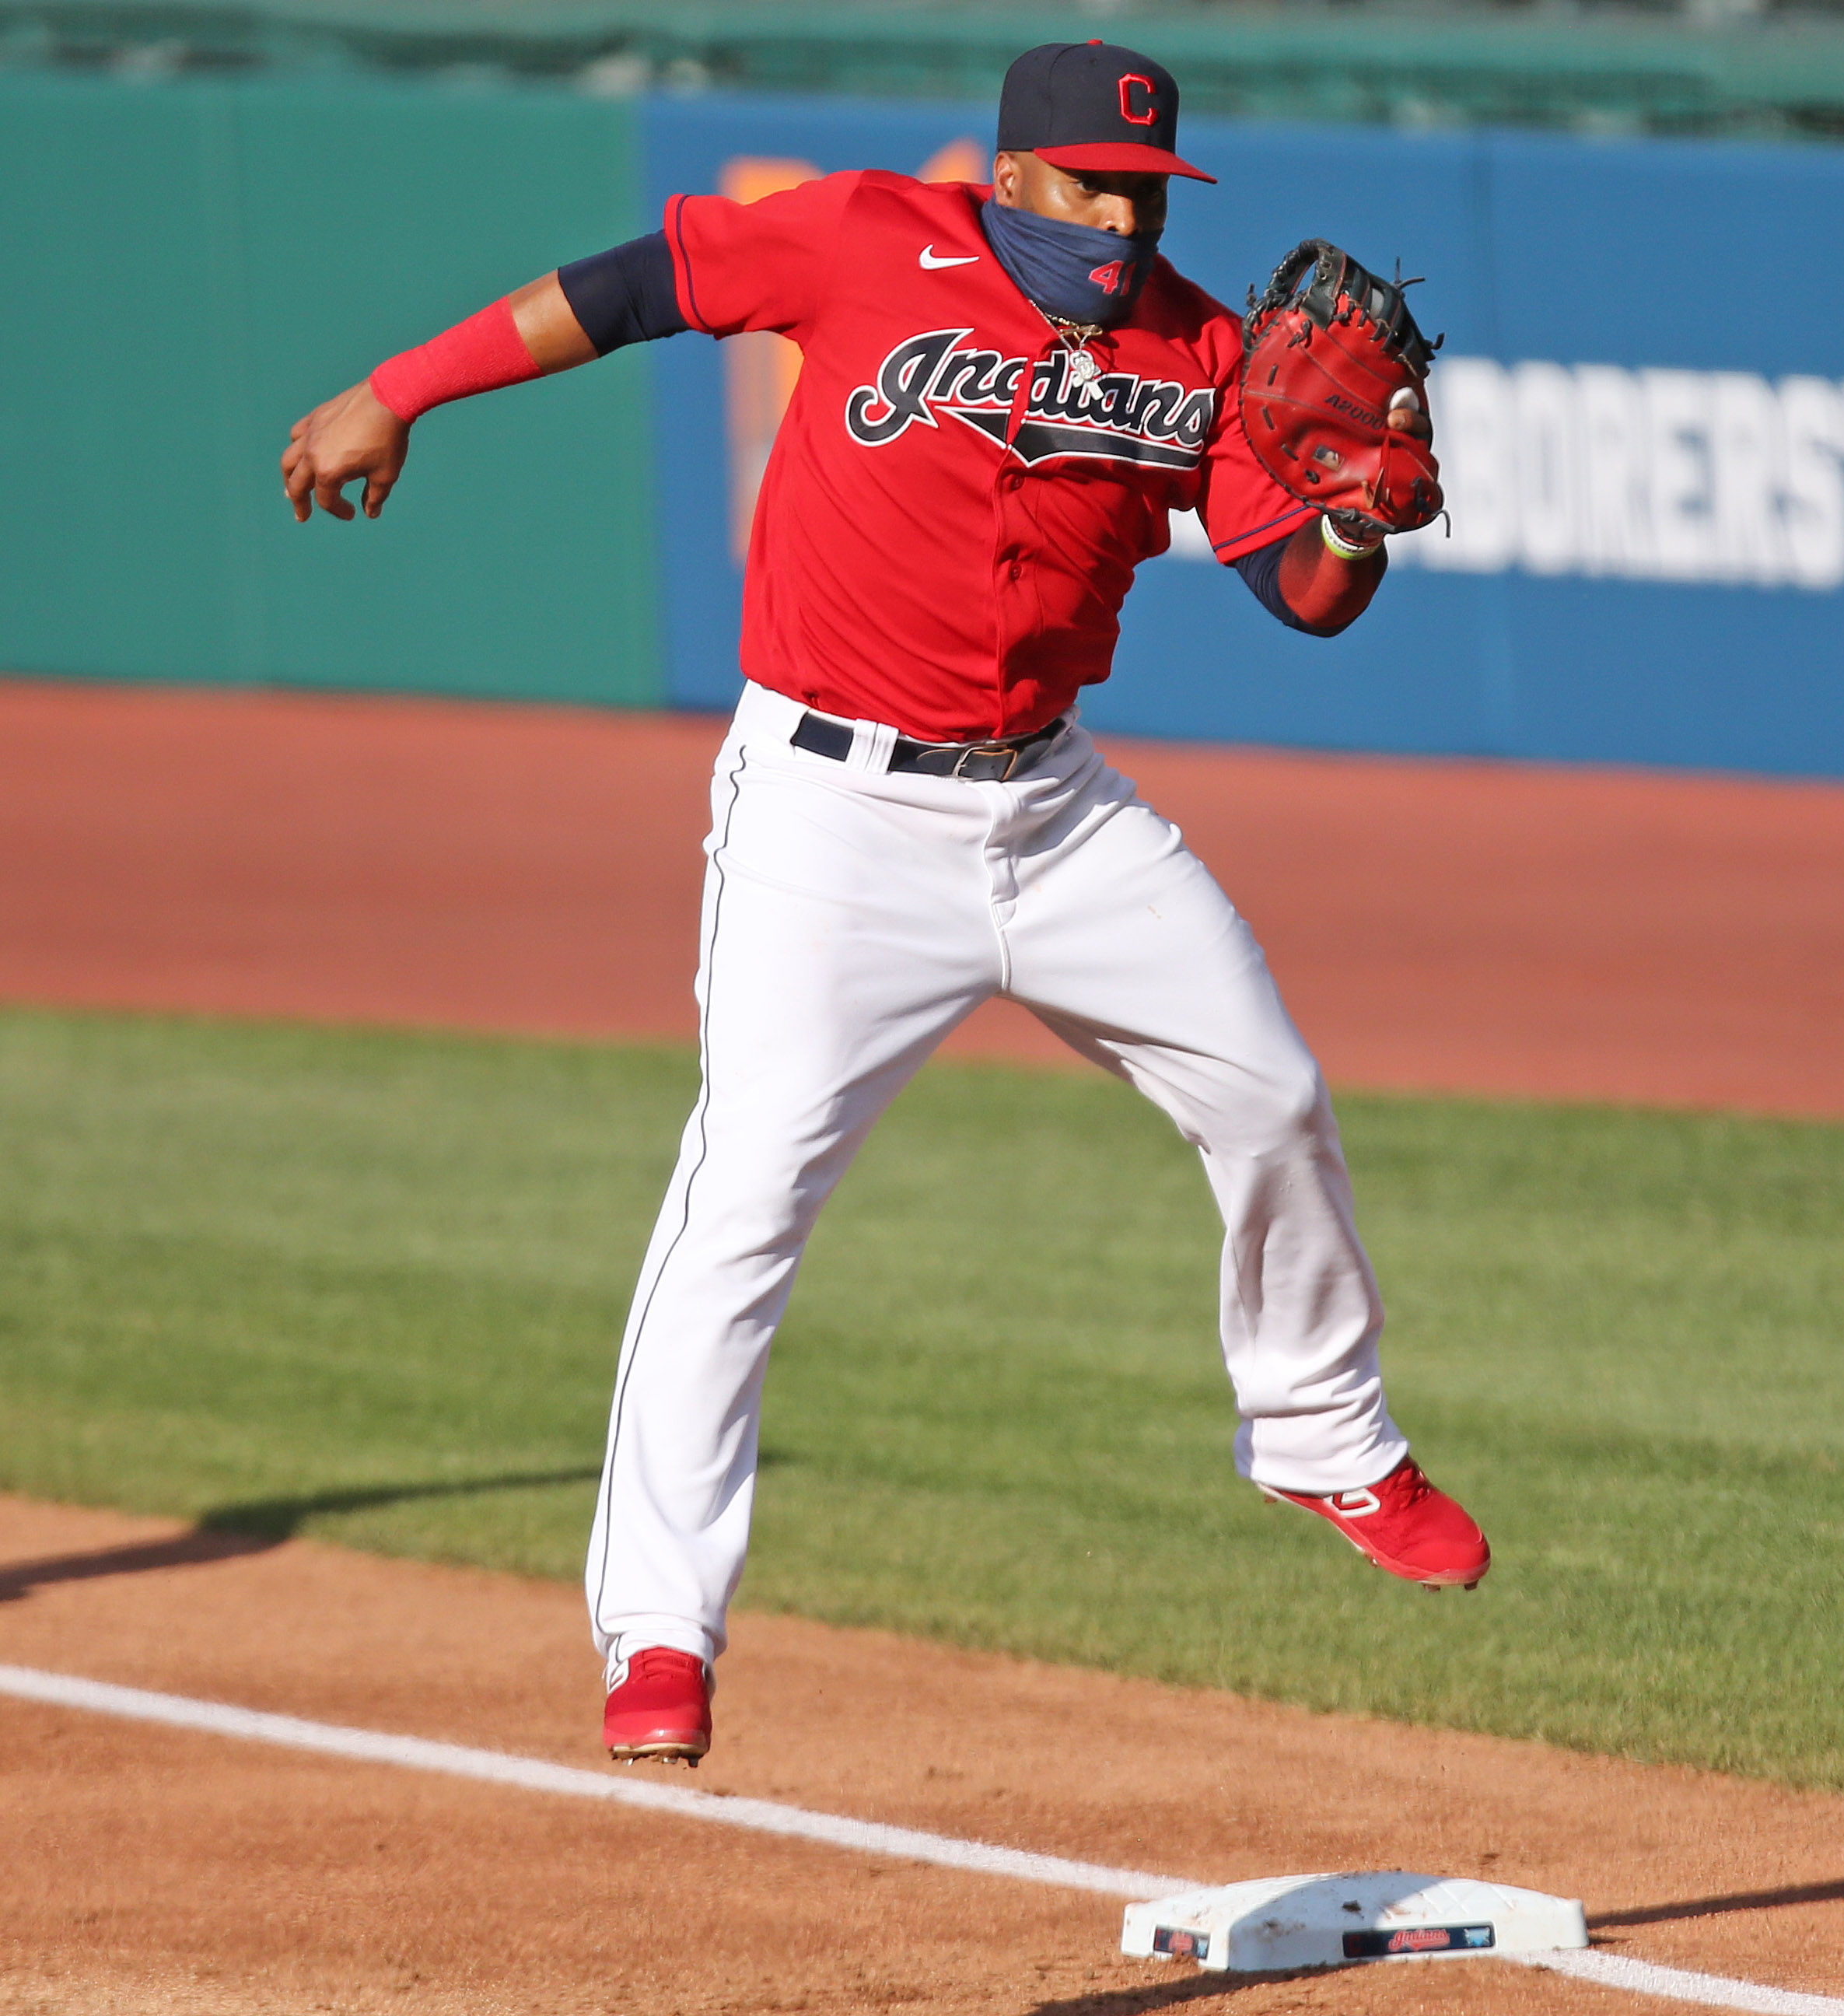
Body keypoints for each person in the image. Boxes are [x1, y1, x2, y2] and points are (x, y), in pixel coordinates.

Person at [278, 42, 1489, 1768]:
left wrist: (1361, 523)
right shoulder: (857, 238)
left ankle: (1318, 1432)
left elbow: (1295, 592)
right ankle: (658, 1629)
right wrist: (402, 387)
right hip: (829, 819)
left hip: (1054, 812)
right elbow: (628, 292)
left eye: (1148, 192)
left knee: (1273, 1091)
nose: (1126, 221)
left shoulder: (1204, 347)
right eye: (1094, 189)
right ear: (1014, 182)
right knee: (746, 1192)